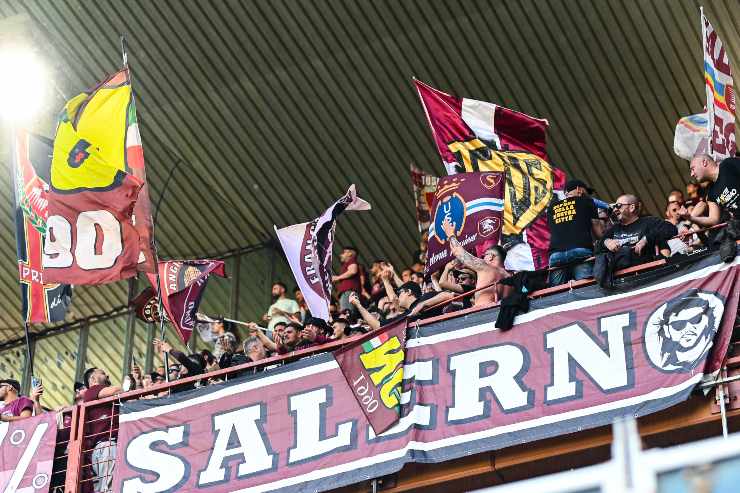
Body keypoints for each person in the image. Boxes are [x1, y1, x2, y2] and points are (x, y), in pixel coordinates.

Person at [441, 217, 511, 306]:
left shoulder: (486, 267)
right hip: (502, 312)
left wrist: (450, 234)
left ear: (491, 257)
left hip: (483, 313)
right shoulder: (510, 276)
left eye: (484, 255)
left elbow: (458, 252)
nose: (483, 258)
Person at [546, 179, 604, 285]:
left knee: (557, 293)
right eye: (586, 192)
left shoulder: (551, 208)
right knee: (584, 288)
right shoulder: (587, 201)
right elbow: (598, 231)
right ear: (579, 189)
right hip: (580, 250)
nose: (587, 195)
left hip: (556, 254)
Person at [599, 194, 677, 267]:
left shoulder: (649, 222)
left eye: (618, 206)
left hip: (647, 271)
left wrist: (646, 239)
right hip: (622, 276)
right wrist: (606, 242)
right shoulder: (614, 229)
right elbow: (597, 248)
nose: (615, 209)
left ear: (632, 207)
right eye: (614, 207)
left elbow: (671, 229)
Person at [81, 368, 122, 492]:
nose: (107, 375)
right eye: (103, 373)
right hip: (106, 445)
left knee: (105, 488)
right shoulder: (92, 391)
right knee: (110, 488)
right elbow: (117, 390)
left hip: (102, 449)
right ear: (92, 379)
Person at [683, 153, 740, 227]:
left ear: (704, 162)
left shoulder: (728, 165)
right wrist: (691, 218)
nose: (692, 174)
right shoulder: (711, 193)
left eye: (693, 169)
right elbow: (713, 220)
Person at [332, 247, 362, 312]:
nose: (341, 255)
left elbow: (353, 271)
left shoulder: (352, 261)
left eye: (344, 253)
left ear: (350, 253)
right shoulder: (347, 264)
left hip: (348, 292)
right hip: (346, 292)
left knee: (347, 312)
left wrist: (338, 278)